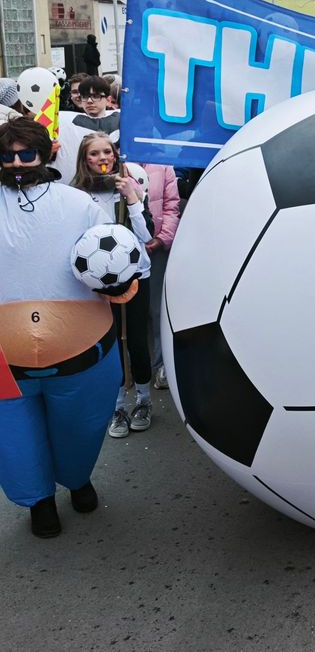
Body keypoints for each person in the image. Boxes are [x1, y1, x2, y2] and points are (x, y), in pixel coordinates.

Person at [0, 117, 124, 537]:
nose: (16, 163)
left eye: (25, 154)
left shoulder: (79, 204)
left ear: (47, 153)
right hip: (6, 365)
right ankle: (39, 502)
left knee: (80, 428)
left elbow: (117, 261)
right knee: (14, 440)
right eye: (6, 155)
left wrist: (123, 283)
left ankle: (77, 478)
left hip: (81, 355)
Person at [71, 133, 154, 437]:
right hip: (97, 284)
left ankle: (143, 401)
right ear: (85, 159)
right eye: (95, 153)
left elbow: (147, 236)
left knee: (136, 343)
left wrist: (132, 199)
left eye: (108, 151)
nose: (103, 157)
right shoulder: (75, 194)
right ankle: (117, 406)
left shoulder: (129, 187)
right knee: (110, 347)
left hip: (135, 278)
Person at [140, 163, 180, 389]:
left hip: (156, 247)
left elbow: (171, 206)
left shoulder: (163, 166)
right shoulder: (116, 159)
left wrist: (162, 239)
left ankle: (161, 364)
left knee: (157, 308)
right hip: (123, 249)